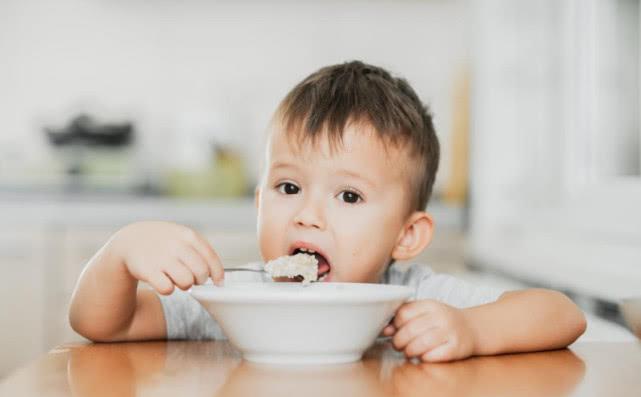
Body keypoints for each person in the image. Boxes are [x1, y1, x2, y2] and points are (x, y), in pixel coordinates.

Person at [69, 61, 586, 362]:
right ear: (258, 202)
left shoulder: (412, 297)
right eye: (288, 186)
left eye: (349, 196)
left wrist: (473, 332)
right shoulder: (229, 299)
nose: (308, 216)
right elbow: (102, 326)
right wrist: (119, 253)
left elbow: (563, 315)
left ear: (407, 236)